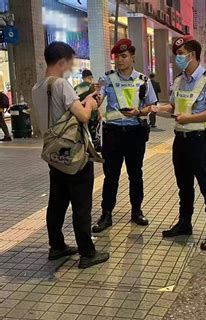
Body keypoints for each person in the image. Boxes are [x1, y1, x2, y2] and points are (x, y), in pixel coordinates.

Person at [31, 42, 109, 268]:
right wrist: (92, 104)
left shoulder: (37, 86)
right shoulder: (61, 84)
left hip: (53, 153)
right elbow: (83, 116)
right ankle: (87, 253)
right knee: (81, 205)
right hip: (73, 153)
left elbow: (58, 115)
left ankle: (57, 246)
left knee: (57, 202)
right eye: (70, 62)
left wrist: (83, 102)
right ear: (62, 61)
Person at [155, 35, 206, 251]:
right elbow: (175, 107)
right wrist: (158, 108)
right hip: (181, 141)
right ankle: (185, 223)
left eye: (180, 54)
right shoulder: (179, 80)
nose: (178, 58)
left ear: (192, 54)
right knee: (184, 186)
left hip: (200, 141)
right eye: (176, 55)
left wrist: (190, 119)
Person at [92, 39, 158, 233]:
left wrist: (139, 112)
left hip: (134, 133)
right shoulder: (108, 78)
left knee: (135, 174)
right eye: (116, 57)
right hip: (112, 133)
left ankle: (136, 211)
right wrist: (94, 94)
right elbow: (98, 100)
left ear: (132, 57)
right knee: (110, 175)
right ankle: (106, 214)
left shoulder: (143, 81)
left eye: (123, 56)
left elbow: (151, 106)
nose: (119, 60)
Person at [74, 69, 101, 151]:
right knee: (94, 133)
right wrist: (99, 113)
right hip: (92, 114)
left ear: (82, 77)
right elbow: (97, 102)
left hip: (81, 114)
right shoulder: (92, 87)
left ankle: (83, 148)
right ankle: (97, 147)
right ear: (90, 77)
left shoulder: (76, 88)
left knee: (82, 134)